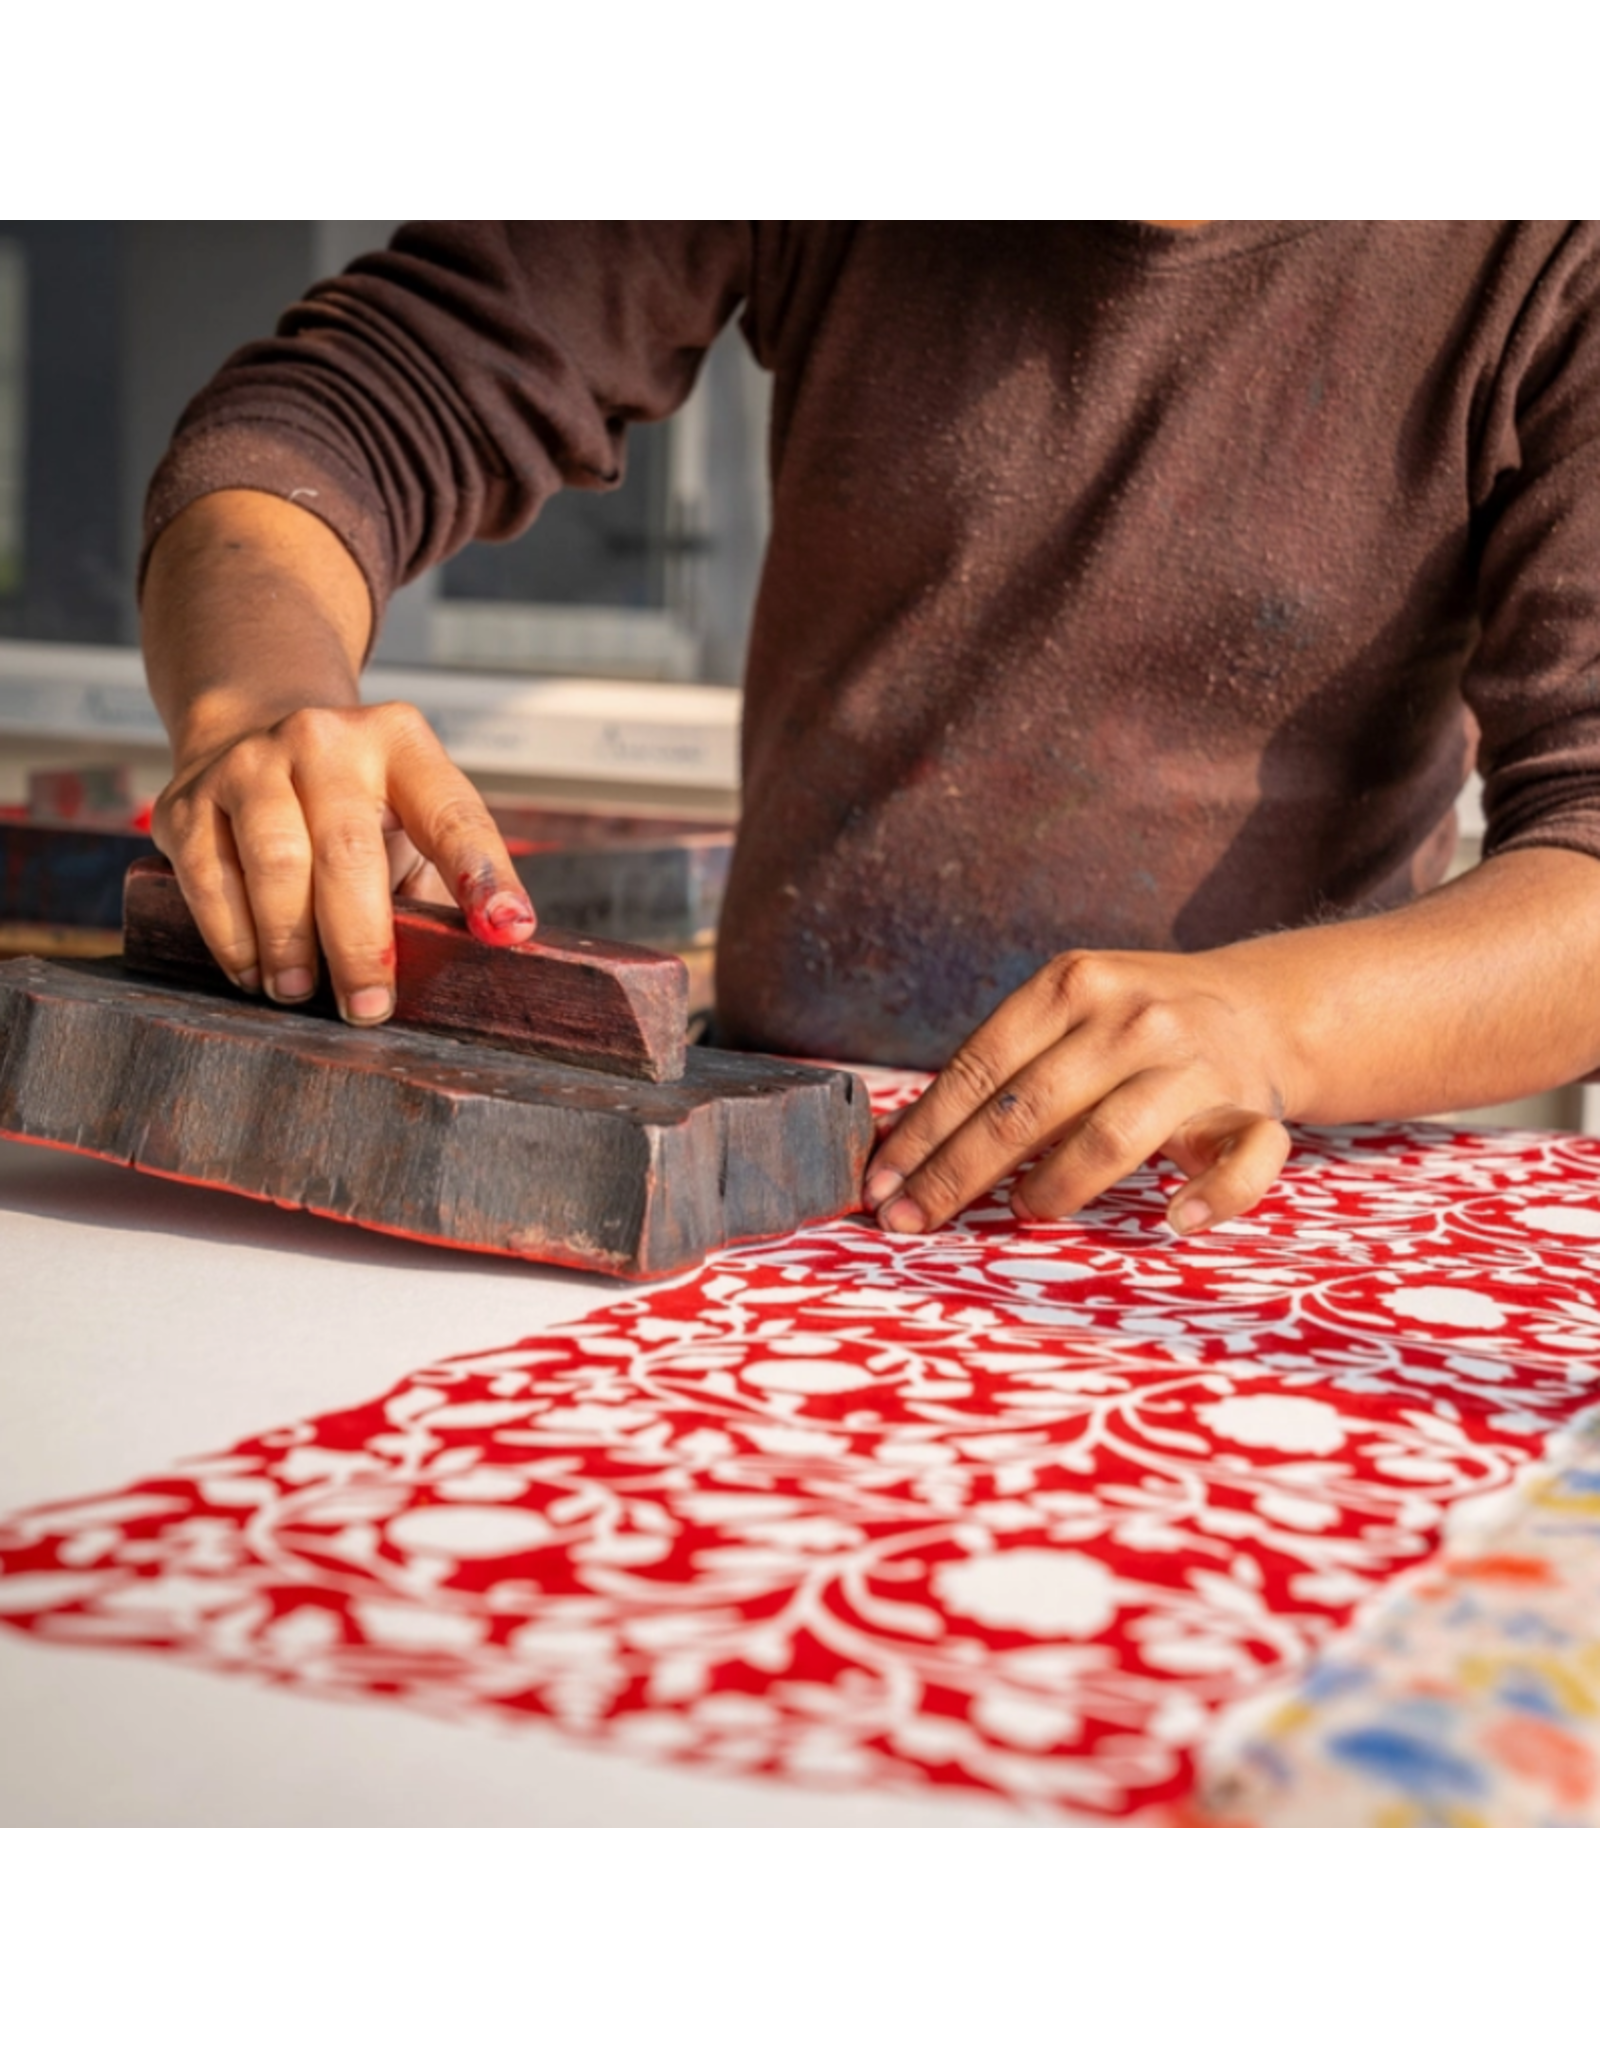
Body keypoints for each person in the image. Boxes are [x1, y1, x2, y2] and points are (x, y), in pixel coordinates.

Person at [139, 220, 1600, 1242]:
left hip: (1241, 1224)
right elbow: (340, 413)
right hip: (788, 1174)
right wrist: (258, 699)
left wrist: (1279, 1023)